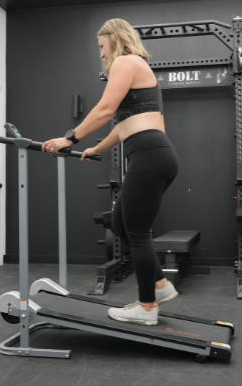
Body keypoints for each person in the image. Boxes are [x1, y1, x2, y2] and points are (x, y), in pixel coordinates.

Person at [41, 18, 179, 326]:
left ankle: (146, 308)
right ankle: (161, 285)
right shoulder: (134, 68)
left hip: (149, 155)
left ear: (114, 40)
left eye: (102, 47)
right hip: (152, 153)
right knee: (120, 223)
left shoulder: (126, 62)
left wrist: (70, 137)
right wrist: (97, 149)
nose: (101, 54)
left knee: (137, 232)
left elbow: (104, 110)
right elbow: (123, 126)